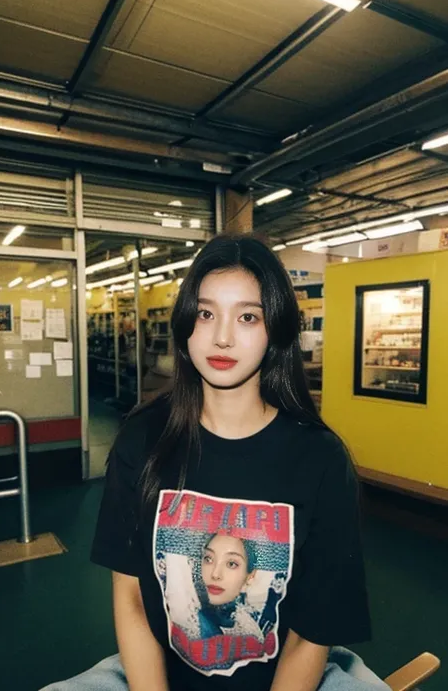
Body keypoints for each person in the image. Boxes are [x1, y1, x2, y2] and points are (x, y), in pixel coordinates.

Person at [41, 234, 390, 690]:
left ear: (276, 331)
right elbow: (130, 595)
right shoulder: (143, 439)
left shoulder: (320, 459)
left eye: (248, 317)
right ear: (187, 323)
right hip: (157, 668)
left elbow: (312, 632)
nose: (222, 336)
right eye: (206, 314)